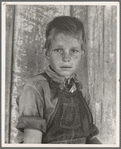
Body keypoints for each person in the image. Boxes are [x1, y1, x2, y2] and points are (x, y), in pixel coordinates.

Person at [15, 16, 102, 144]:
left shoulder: (81, 89)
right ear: (47, 53)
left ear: (82, 54)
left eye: (73, 50)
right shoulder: (35, 88)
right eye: (59, 50)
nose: (66, 58)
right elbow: (32, 143)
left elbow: (90, 138)